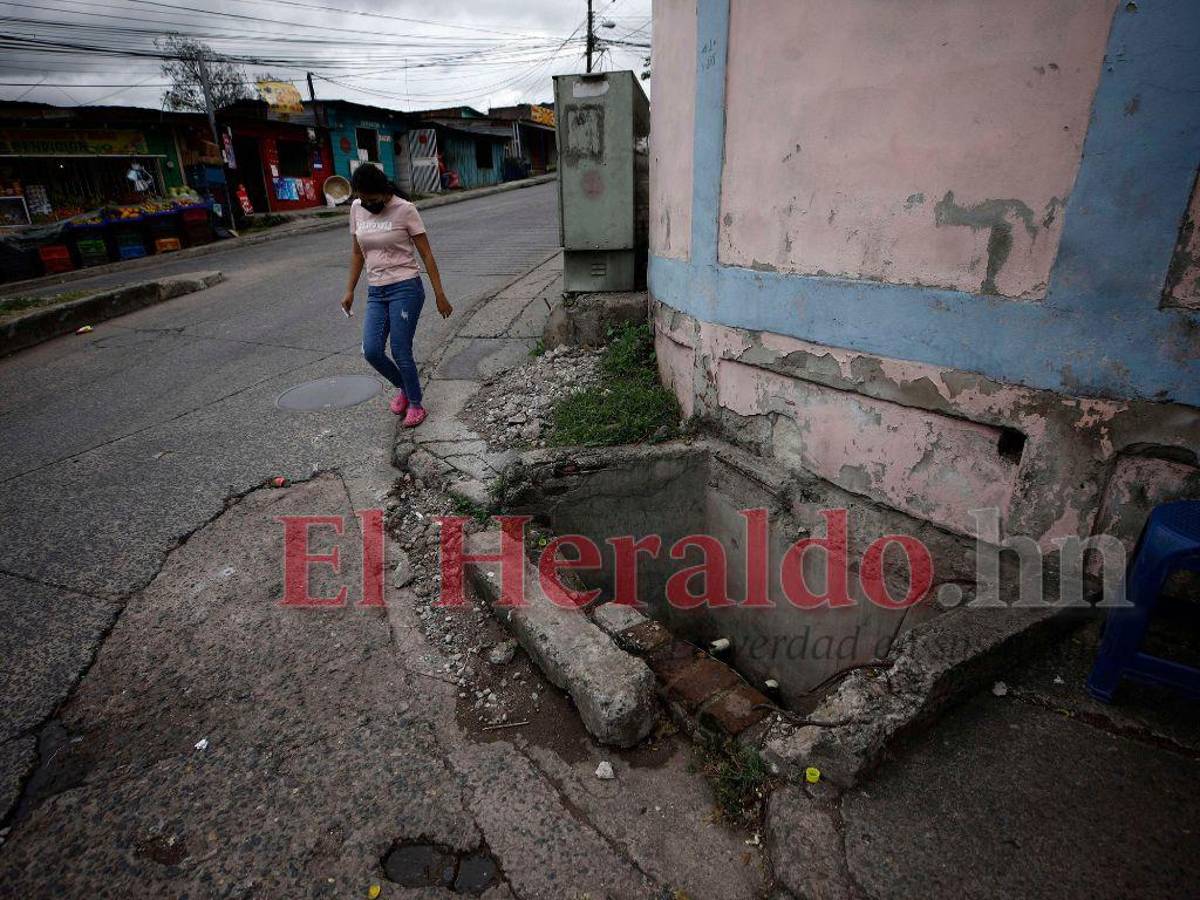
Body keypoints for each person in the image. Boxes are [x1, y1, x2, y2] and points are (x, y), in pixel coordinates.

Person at [341, 164, 452, 427]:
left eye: (373, 198)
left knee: (401, 349)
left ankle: (416, 404)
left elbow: (426, 254)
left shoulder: (405, 209)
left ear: (383, 189)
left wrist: (440, 294)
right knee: (372, 351)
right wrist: (349, 290)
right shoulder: (357, 208)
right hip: (376, 291)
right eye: (364, 199)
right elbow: (358, 253)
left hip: (406, 287)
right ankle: (405, 386)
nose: (369, 204)